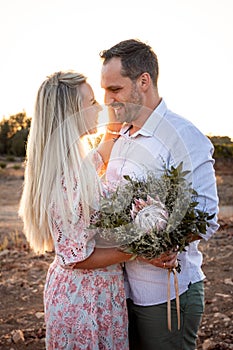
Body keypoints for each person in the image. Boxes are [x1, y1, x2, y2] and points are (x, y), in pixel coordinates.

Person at [99, 39, 220, 350]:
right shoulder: (121, 138)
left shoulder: (184, 135)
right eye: (104, 90)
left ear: (143, 81)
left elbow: (205, 218)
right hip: (120, 293)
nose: (107, 99)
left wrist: (153, 244)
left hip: (165, 295)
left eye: (115, 89)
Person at [19, 70, 137, 349]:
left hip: (86, 293)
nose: (99, 108)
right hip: (85, 299)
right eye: (91, 102)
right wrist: (139, 251)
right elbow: (76, 257)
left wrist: (112, 131)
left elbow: (96, 159)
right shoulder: (68, 176)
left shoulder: (71, 162)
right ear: (70, 113)